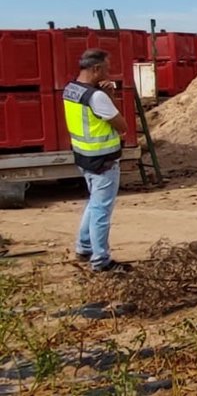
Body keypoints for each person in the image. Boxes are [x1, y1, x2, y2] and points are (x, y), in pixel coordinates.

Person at [63, 49, 131, 273]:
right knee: (101, 211)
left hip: (84, 157)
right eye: (106, 68)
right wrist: (109, 96)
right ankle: (101, 261)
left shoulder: (71, 89)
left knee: (94, 204)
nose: (108, 73)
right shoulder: (96, 97)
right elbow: (122, 125)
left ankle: (84, 248)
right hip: (103, 161)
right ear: (96, 69)